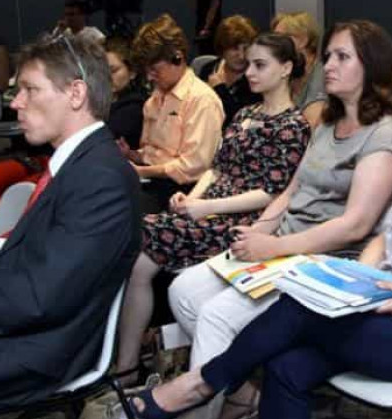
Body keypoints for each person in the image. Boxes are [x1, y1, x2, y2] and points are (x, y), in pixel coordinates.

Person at [122, 36, 392, 419]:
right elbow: (386, 236)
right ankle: (208, 384)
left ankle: (200, 384)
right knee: (286, 365)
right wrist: (359, 280)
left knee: (301, 304)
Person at [166, 19, 392, 419]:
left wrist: (273, 246)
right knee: (183, 290)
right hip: (283, 246)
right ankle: (243, 390)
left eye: (342, 57)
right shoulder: (329, 123)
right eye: (329, 56)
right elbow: (290, 192)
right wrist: (258, 232)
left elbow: (355, 225)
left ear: (371, 65)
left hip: (328, 259)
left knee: (215, 316)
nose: (327, 65)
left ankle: (202, 402)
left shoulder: (385, 134)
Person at [0, 35, 140, 404]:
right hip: (9, 327)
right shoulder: (79, 165)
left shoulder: (101, 179)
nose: (15, 102)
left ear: (75, 94)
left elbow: (41, 298)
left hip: (30, 352)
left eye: (30, 89)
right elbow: (14, 258)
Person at [115, 33, 312, 379]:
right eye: (249, 64)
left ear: (285, 69)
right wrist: (193, 198)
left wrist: (206, 208)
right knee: (139, 255)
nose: (249, 72)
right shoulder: (246, 113)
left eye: (260, 65)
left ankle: (128, 364)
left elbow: (271, 193)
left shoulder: (293, 125)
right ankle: (128, 362)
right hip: (211, 208)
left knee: (141, 234)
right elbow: (215, 169)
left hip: (244, 220)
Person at [119, 14, 224, 212]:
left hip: (182, 191)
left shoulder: (202, 100)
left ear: (177, 57)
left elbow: (194, 165)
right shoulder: (155, 99)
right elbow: (153, 153)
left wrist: (142, 171)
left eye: (154, 70)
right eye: (147, 71)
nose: (150, 77)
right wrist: (132, 155)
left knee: (120, 206)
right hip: (153, 181)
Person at [199, 15, 260, 127]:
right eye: (234, 49)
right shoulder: (208, 69)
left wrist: (219, 89)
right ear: (223, 48)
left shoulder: (256, 77)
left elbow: (242, 120)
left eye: (246, 49)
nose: (241, 56)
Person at [271, 12, 326, 128]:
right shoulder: (284, 73)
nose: (274, 45)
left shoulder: (322, 75)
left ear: (303, 40)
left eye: (280, 38)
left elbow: (310, 125)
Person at [106, 36, 147, 149]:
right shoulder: (101, 100)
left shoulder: (136, 107)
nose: (106, 76)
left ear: (132, 72)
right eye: (102, 70)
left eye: (113, 70)